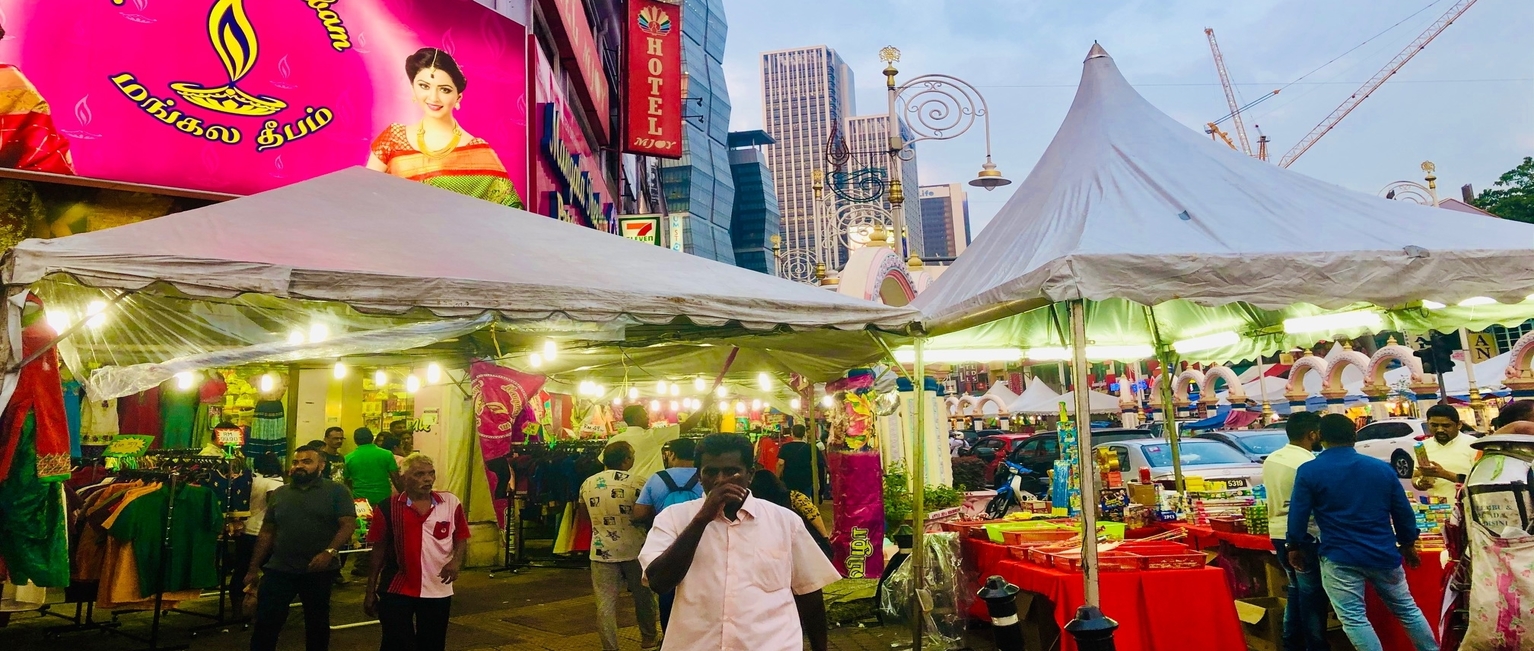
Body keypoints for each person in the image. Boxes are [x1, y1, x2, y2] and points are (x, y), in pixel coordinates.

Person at [640, 433, 841, 651]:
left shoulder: (785, 522)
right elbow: (659, 582)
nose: (720, 480)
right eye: (711, 472)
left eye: (731, 471)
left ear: (750, 475)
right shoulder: (672, 519)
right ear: (699, 476)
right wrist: (701, 519)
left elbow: (809, 593)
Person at [1287, 414, 1439, 651]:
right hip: (1383, 553)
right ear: (1354, 436)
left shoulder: (1310, 471)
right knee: (1406, 609)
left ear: (1320, 437)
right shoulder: (1380, 469)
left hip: (1339, 556)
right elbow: (1402, 512)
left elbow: (1298, 514)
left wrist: (1294, 545)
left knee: (1354, 618)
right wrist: (1408, 544)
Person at [366, 47, 523, 208]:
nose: (433, 97)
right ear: (413, 88)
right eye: (424, 86)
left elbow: (511, 212)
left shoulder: (479, 152)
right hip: (396, 231)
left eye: (445, 90)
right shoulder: (393, 138)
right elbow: (365, 195)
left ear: (458, 97)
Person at [246, 445, 358, 651]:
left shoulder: (337, 491)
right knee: (266, 622)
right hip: (279, 568)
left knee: (317, 624)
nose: (299, 466)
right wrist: (253, 568)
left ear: (321, 466)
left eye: (307, 462)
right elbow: (267, 532)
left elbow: (348, 524)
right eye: (296, 462)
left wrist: (329, 552)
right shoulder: (280, 493)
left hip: (317, 570)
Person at [363, 453, 469, 651]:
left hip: (438, 587)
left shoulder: (450, 503)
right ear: (403, 478)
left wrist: (456, 561)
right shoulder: (388, 507)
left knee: (433, 642)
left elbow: (461, 535)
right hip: (397, 586)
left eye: (431, 474)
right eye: (419, 474)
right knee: (396, 641)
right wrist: (370, 591)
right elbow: (378, 550)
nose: (427, 479)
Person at [579, 442, 660, 651]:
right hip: (634, 548)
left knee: (605, 604)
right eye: (632, 455)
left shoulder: (587, 483)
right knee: (644, 597)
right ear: (626, 460)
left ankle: (610, 647)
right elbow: (646, 513)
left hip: (600, 550)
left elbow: (583, 516)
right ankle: (649, 640)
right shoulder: (638, 483)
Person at [1262, 411, 1327, 651]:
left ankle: (1291, 644)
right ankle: (1315, 646)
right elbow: (1308, 506)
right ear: (1312, 434)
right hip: (1302, 536)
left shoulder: (1272, 458)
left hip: (1277, 533)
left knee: (1296, 591)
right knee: (1311, 597)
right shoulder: (1306, 464)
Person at [633, 438, 703, 633]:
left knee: (667, 587)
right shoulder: (705, 477)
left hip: (666, 541)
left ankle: (669, 634)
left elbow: (639, 513)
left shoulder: (657, 478)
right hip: (700, 540)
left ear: (671, 454)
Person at [230, 452, 284, 621]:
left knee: (241, 570)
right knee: (271, 573)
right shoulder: (275, 483)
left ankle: (238, 610)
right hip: (263, 533)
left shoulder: (250, 479)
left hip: (245, 530)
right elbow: (275, 508)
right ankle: (263, 609)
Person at [344, 427, 401, 578]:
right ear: (372, 438)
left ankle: (363, 565)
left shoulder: (349, 457)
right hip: (383, 499)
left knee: (364, 534)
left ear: (356, 440)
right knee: (385, 532)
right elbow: (395, 477)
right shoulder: (386, 454)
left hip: (360, 500)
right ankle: (385, 562)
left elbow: (346, 481)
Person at [611, 404, 710, 482]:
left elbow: (605, 465)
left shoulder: (614, 440)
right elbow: (687, 425)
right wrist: (704, 405)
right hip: (650, 484)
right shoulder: (652, 436)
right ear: (637, 418)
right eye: (644, 415)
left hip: (625, 485)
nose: (648, 418)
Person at [750, 469, 832, 555]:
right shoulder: (794, 497)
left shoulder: (756, 506)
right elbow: (813, 516)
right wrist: (825, 538)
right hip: (804, 546)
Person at [1414, 404, 1479, 500]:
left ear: (1459, 425)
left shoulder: (1474, 445)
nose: (1440, 430)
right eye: (1434, 425)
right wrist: (1420, 483)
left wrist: (1443, 474)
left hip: (1466, 507)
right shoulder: (1423, 446)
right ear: (1428, 424)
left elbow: (1479, 482)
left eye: (1446, 426)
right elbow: (1415, 477)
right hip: (1436, 510)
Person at [776, 424, 817, 499]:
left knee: (790, 500)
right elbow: (814, 464)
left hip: (790, 478)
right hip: (806, 478)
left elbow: (781, 463)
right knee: (805, 500)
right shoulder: (809, 447)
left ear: (792, 433)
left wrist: (777, 477)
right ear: (804, 434)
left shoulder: (785, 447)